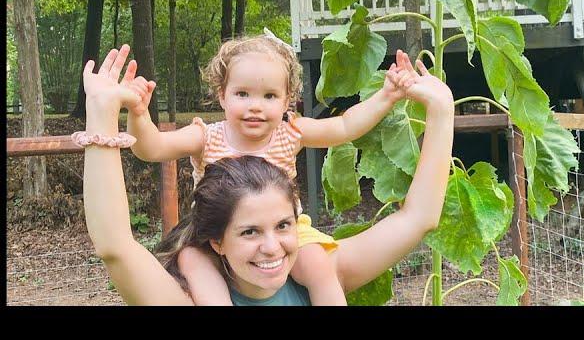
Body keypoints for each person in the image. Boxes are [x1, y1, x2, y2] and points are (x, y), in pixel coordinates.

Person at [77, 44, 454, 306]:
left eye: (282, 226)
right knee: (192, 261)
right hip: (200, 236)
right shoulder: (188, 284)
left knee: (319, 264)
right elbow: (117, 241)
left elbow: (418, 216)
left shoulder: (313, 257)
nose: (272, 247)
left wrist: (438, 108)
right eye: (250, 231)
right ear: (222, 96)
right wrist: (122, 113)